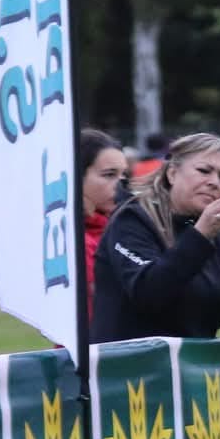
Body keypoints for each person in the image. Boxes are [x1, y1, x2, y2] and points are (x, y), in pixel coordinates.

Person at [93, 132, 220, 344]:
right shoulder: (131, 220)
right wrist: (200, 235)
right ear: (172, 174)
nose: (214, 182)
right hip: (132, 369)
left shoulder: (214, 237)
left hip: (193, 369)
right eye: (203, 171)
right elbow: (149, 293)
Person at [79, 129, 129, 317]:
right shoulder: (73, 241)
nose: (119, 185)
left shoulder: (116, 227)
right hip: (95, 344)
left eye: (122, 176)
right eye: (109, 175)